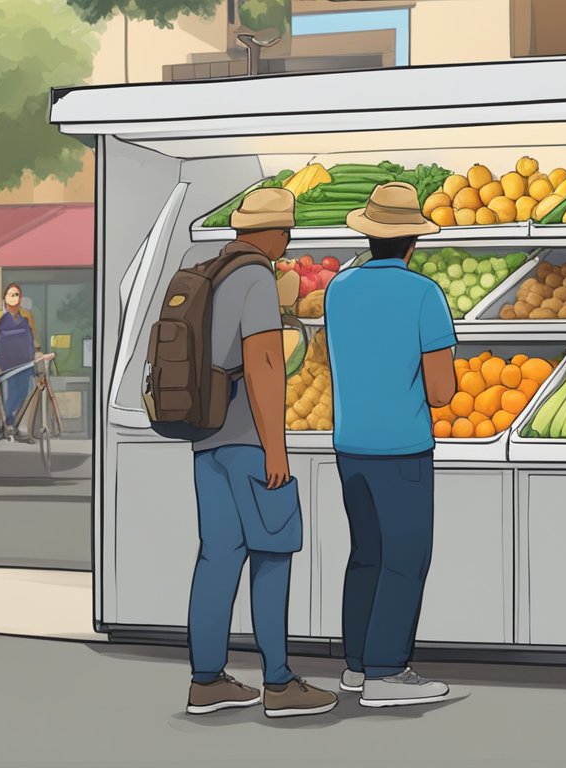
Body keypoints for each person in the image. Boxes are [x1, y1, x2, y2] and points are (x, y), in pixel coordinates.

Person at [184, 187, 338, 719]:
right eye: (286, 231)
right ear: (273, 233)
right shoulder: (254, 278)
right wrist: (276, 448)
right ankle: (278, 683)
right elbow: (265, 363)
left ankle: (206, 681)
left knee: (217, 555)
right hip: (250, 440)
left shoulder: (213, 272)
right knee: (273, 553)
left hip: (209, 439)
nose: (288, 239)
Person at [324, 182, 459, 708]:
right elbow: (442, 391)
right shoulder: (424, 294)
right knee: (406, 557)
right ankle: (387, 673)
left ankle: (356, 667)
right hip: (401, 448)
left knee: (366, 556)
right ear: (412, 244)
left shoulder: (338, 288)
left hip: (350, 446)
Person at [0, 283, 37, 442]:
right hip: (6, 365)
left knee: (22, 395)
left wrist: (33, 357)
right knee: (7, 397)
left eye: (17, 294)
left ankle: (11, 426)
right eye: (11, 294)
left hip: (24, 365)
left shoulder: (25, 319)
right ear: (5, 298)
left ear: (21, 298)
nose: (14, 298)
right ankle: (5, 426)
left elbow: (30, 340)